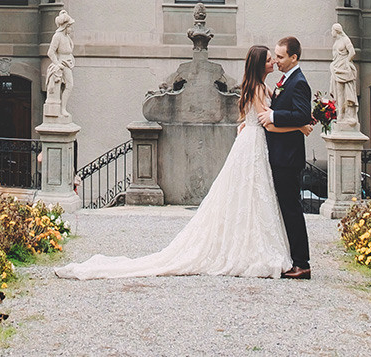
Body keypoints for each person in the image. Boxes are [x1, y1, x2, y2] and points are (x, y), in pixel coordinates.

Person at [54, 44, 298, 279]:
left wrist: (249, 123)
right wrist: (300, 125)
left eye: (273, 58)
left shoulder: (263, 87)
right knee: (249, 192)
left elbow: (255, 116)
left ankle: (251, 242)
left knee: (253, 194)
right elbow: (266, 121)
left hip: (255, 142)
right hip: (253, 142)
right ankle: (248, 249)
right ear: (259, 64)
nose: (273, 62)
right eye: (268, 59)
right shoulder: (256, 88)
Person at [258, 34, 313, 279]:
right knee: (286, 208)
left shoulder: (298, 82)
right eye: (275, 56)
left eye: (280, 57)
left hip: (288, 158)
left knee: (292, 209)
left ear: (294, 57)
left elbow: (302, 114)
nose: (277, 61)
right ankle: (294, 259)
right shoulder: (285, 80)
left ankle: (302, 263)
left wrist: (273, 117)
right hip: (281, 155)